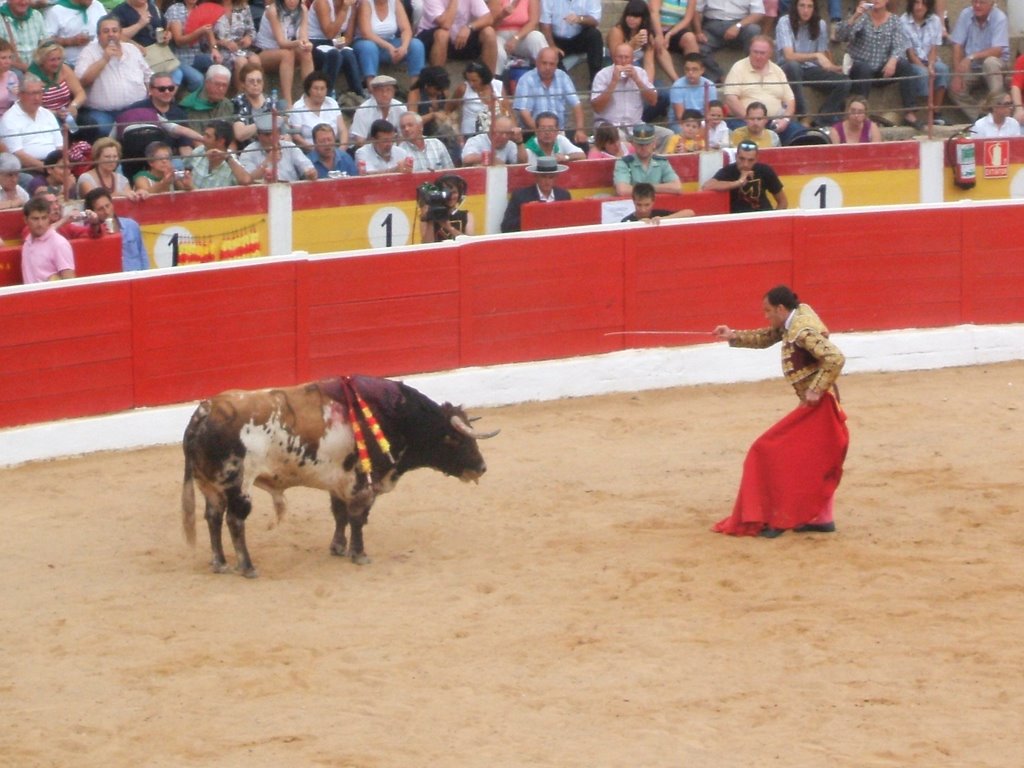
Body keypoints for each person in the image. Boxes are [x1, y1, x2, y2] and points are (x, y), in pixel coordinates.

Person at [711, 284, 848, 537]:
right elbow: (766, 337)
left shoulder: (802, 331)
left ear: (781, 309)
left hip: (819, 408)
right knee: (810, 461)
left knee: (767, 451)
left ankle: (778, 517)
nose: (766, 316)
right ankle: (820, 518)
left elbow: (835, 358)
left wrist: (816, 389)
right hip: (816, 407)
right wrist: (732, 336)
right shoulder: (792, 320)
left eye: (768, 311)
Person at [834, 0, 923, 128]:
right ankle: (861, 112)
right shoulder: (862, 17)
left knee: (904, 65)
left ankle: (910, 113)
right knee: (863, 68)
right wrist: (854, 17)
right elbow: (841, 36)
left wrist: (892, 61)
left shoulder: (894, 20)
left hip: (882, 69)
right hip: (860, 69)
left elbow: (899, 46)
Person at [74, 15, 151, 138]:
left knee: (142, 129)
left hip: (135, 107)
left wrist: (150, 97)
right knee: (102, 130)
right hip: (102, 113)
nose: (111, 34)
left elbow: (148, 75)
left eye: (115, 31)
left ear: (120, 33)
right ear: (98, 35)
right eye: (106, 31)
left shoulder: (131, 49)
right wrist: (104, 59)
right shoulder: (88, 52)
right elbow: (82, 82)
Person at [775, 0, 850, 127]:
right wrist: (815, 55)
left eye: (809, 6)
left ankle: (822, 118)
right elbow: (789, 56)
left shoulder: (820, 24)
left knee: (845, 82)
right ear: (796, 7)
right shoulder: (784, 22)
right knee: (794, 66)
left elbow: (822, 55)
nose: (805, 10)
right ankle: (802, 114)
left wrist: (833, 67)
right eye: (802, 6)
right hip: (787, 68)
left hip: (810, 68)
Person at [722, 35, 806, 145]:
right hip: (744, 121)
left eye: (762, 53)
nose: (758, 56)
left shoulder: (777, 70)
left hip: (773, 121)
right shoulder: (738, 67)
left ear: (770, 54)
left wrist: (785, 120)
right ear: (749, 51)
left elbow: (790, 100)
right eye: (755, 52)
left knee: (800, 133)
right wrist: (752, 120)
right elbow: (731, 98)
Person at [511, 46, 586, 146]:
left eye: (551, 64)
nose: (547, 67)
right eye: (544, 63)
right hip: (533, 132)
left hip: (560, 131)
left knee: (583, 144)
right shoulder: (526, 79)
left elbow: (576, 104)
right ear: (537, 62)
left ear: (556, 65)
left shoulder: (563, 77)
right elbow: (524, 113)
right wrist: (542, 132)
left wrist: (579, 130)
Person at [948, 0, 1009, 122]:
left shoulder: (999, 17)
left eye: (982, 2)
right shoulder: (965, 14)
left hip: (997, 64)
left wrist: (971, 57)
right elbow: (957, 46)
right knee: (954, 89)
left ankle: (999, 112)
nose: (977, 5)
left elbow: (997, 50)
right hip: (973, 67)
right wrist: (957, 74)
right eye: (974, 1)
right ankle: (981, 118)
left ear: (992, 3)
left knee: (990, 63)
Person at [591, 43, 663, 145]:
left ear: (633, 59)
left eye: (626, 57)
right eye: (620, 57)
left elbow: (653, 101)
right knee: (623, 141)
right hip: (609, 126)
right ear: (613, 58)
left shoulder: (640, 73)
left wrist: (637, 80)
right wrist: (613, 81)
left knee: (667, 135)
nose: (623, 61)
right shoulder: (602, 75)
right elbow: (597, 107)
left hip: (635, 125)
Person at [702, 138, 787, 213]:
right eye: (742, 159)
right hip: (738, 221)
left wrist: (773, 221)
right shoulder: (729, 171)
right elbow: (706, 186)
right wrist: (738, 182)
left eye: (750, 160)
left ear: (756, 159)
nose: (745, 164)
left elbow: (783, 202)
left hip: (763, 217)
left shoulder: (765, 170)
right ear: (736, 156)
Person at [354, 0, 425, 88]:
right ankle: (371, 89)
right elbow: (366, 33)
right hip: (366, 44)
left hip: (390, 43)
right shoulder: (365, 3)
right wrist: (388, 46)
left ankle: (416, 89)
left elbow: (406, 29)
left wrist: (404, 47)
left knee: (416, 45)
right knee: (369, 47)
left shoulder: (395, 3)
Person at [416, 0, 498, 76]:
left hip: (458, 40)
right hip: (430, 40)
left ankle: (489, 82)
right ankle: (437, 82)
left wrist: (469, 27)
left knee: (489, 32)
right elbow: (446, 24)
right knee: (443, 34)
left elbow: (489, 18)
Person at [254, 0, 315, 103]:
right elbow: (281, 42)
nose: (292, 1)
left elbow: (303, 36)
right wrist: (299, 43)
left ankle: (310, 96)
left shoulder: (303, 9)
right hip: (266, 51)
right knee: (287, 54)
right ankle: (288, 102)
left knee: (306, 53)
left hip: (288, 49)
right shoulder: (273, 11)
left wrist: (306, 44)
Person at [0, 74, 62, 172]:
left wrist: (58, 167)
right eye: (32, 94)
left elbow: (60, 146)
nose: (37, 98)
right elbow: (18, 154)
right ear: (20, 94)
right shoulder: (9, 119)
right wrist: (48, 169)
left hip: (55, 168)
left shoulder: (47, 114)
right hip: (29, 169)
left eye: (39, 93)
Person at [694, 0, 765, 82]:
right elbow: (696, 10)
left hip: (741, 25)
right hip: (712, 26)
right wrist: (698, 32)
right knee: (697, 46)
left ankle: (751, 73)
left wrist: (738, 26)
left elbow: (758, 13)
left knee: (754, 30)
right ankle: (717, 77)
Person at [902, 0, 949, 122]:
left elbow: (934, 48)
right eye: (916, 3)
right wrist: (924, 68)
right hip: (912, 62)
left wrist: (931, 65)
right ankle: (921, 114)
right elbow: (909, 53)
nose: (919, 7)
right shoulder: (903, 21)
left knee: (942, 69)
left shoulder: (935, 20)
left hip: (929, 59)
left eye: (923, 4)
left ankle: (936, 112)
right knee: (921, 74)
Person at [82, 185, 149, 271]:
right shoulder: (89, 233)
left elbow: (142, 254)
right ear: (92, 212)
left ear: (112, 204)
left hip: (136, 276)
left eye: (107, 206)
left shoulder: (131, 225)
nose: (106, 211)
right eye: (100, 209)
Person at [239, 111, 317, 181]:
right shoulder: (248, 152)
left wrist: (310, 173)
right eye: (267, 134)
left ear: (279, 133)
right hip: (262, 193)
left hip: (290, 192)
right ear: (258, 135)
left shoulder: (290, 147)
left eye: (274, 133)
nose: (271, 138)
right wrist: (267, 162)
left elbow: (307, 167)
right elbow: (248, 179)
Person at [499, 154, 569, 232]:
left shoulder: (563, 195)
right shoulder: (521, 196)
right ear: (536, 177)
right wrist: (528, 214)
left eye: (551, 177)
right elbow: (506, 227)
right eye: (543, 177)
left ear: (556, 177)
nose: (547, 181)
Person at [164, 0, 220, 93]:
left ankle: (212, 99)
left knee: (217, 67)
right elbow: (179, 41)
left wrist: (214, 49)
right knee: (198, 79)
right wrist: (199, 31)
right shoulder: (175, 9)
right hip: (178, 58)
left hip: (196, 54)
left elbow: (209, 32)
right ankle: (190, 102)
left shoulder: (201, 10)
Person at [612, 122, 681, 196]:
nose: (643, 148)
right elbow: (622, 190)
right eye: (640, 144)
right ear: (633, 144)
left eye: (647, 144)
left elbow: (677, 187)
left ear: (654, 143)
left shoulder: (662, 162)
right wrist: (656, 188)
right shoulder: (624, 162)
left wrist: (647, 188)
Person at [538, 0, 602, 81]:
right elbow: (544, 23)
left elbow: (595, 20)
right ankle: (565, 84)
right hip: (556, 40)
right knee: (549, 52)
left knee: (595, 35)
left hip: (579, 37)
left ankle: (596, 81)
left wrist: (580, 19)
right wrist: (552, 46)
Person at [289, 69, 348, 151]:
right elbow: (296, 137)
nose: (319, 92)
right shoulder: (298, 107)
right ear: (309, 89)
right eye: (315, 88)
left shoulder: (332, 103)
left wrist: (342, 149)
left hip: (335, 149)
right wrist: (318, 150)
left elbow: (342, 129)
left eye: (322, 88)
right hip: (310, 151)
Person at [20, 196, 76, 283]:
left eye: (44, 218)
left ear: (49, 218)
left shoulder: (59, 244)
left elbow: (69, 282)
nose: (40, 223)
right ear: (25, 220)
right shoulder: (27, 243)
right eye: (35, 219)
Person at [213, 0, 263, 90]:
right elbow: (204, 40)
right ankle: (240, 96)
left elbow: (251, 31)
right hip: (221, 51)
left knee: (255, 59)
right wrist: (223, 42)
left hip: (241, 49)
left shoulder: (243, 7)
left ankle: (256, 95)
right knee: (241, 62)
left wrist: (249, 38)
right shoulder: (210, 9)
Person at [187, 119, 252, 187]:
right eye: (204, 135)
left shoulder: (232, 161)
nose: (203, 138)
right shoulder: (198, 151)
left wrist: (226, 157)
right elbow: (184, 170)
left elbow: (246, 180)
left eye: (208, 136)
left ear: (221, 141)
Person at [452, 60, 508, 139]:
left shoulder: (498, 85)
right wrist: (457, 134)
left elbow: (508, 111)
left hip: (496, 134)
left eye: (474, 80)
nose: (471, 84)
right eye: (468, 80)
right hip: (470, 136)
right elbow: (449, 110)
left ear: (483, 78)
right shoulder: (463, 89)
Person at [43, 0, 107, 68]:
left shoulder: (97, 5)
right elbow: (45, 42)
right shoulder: (56, 11)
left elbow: (109, 26)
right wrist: (70, 41)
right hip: (70, 66)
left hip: (99, 62)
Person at [490, 0, 546, 76]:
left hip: (522, 34)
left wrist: (516, 38)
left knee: (537, 37)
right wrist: (502, 15)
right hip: (500, 34)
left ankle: (546, 74)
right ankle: (495, 80)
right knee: (499, 52)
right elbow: (491, 25)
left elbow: (533, 22)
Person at [76, 136, 143, 198]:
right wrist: (121, 194)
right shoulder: (86, 178)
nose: (111, 160)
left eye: (115, 156)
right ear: (97, 158)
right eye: (107, 157)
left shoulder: (122, 179)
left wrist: (138, 194)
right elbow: (95, 200)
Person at [349, 73, 407, 145]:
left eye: (388, 90)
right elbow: (360, 142)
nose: (385, 94)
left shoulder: (401, 108)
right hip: (367, 149)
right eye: (380, 90)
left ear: (394, 92)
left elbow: (402, 136)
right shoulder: (363, 110)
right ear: (373, 92)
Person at [649, 0, 699, 83]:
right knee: (659, 44)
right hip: (656, 28)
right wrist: (659, 34)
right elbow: (654, 12)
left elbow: (687, 19)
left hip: (674, 29)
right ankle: (677, 81)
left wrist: (670, 33)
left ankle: (694, 76)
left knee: (690, 38)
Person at [607, 0, 656, 82]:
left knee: (663, 91)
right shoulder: (617, 31)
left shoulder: (647, 35)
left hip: (638, 72)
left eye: (635, 17)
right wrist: (632, 43)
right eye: (629, 16)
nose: (631, 19)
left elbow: (649, 64)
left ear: (643, 18)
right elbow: (616, 58)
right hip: (617, 70)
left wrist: (648, 85)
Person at [419, 172, 473, 242]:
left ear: (459, 194)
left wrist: (449, 228)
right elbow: (427, 245)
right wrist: (430, 220)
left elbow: (470, 243)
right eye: (447, 192)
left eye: (454, 192)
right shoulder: (427, 216)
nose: (450, 197)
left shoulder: (467, 215)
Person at [231, 61, 273, 146]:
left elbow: (283, 128)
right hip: (248, 150)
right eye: (251, 81)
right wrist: (264, 122)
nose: (255, 84)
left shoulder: (270, 101)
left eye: (259, 81)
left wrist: (285, 136)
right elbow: (240, 134)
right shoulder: (237, 102)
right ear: (243, 84)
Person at [0, 0, 48, 74]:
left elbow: (45, 45)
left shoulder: (36, 15)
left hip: (36, 68)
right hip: (10, 70)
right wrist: (24, 67)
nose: (23, 2)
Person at [670, 52, 717, 125]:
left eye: (694, 69)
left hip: (703, 122)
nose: (690, 73)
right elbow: (680, 116)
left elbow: (710, 112)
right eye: (687, 69)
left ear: (702, 70)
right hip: (682, 123)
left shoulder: (710, 85)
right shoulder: (677, 86)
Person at [460, 113, 525, 164]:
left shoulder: (509, 144)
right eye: (501, 133)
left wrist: (519, 142)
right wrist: (491, 159)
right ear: (491, 129)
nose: (504, 136)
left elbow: (523, 163)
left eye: (507, 133)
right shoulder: (477, 140)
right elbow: (467, 159)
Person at [620, 181, 694, 222]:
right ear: (633, 201)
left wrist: (664, 219)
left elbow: (690, 212)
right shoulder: (627, 221)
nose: (643, 209)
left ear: (653, 201)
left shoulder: (659, 214)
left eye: (647, 205)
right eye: (639, 205)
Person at [0, 39, 19, 120]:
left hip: (12, 118)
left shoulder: (12, 76)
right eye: (3, 58)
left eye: (10, 57)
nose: (8, 62)